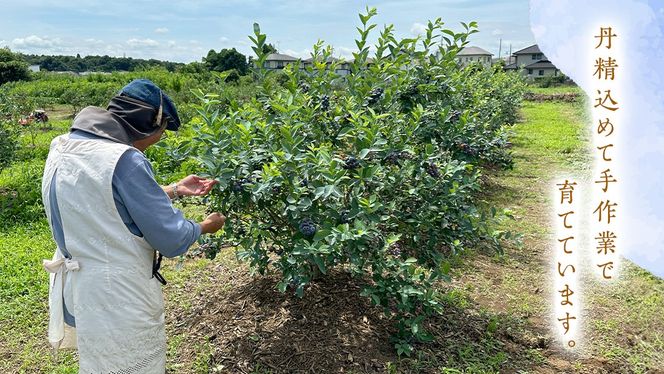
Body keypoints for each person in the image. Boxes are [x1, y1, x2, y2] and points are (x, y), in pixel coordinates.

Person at [41, 78, 225, 373]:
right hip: (119, 293)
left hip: (84, 287)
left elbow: (101, 202)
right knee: (133, 364)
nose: (158, 141)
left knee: (99, 364)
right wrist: (205, 225)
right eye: (161, 133)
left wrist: (174, 189)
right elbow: (171, 239)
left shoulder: (65, 145)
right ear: (149, 125)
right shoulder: (125, 159)